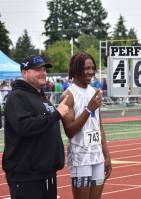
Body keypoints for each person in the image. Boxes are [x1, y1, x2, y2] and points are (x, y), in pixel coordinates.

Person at [2, 55, 69, 199]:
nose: (43, 72)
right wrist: (56, 114)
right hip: (27, 177)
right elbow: (25, 126)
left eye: (44, 69)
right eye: (37, 69)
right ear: (24, 73)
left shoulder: (40, 96)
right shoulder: (17, 97)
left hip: (46, 173)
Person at [61, 52, 112, 199]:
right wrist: (89, 109)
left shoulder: (94, 92)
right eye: (86, 68)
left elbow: (99, 126)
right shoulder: (68, 95)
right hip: (80, 158)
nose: (91, 72)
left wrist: (106, 156)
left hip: (97, 157)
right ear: (76, 70)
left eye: (92, 68)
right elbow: (69, 131)